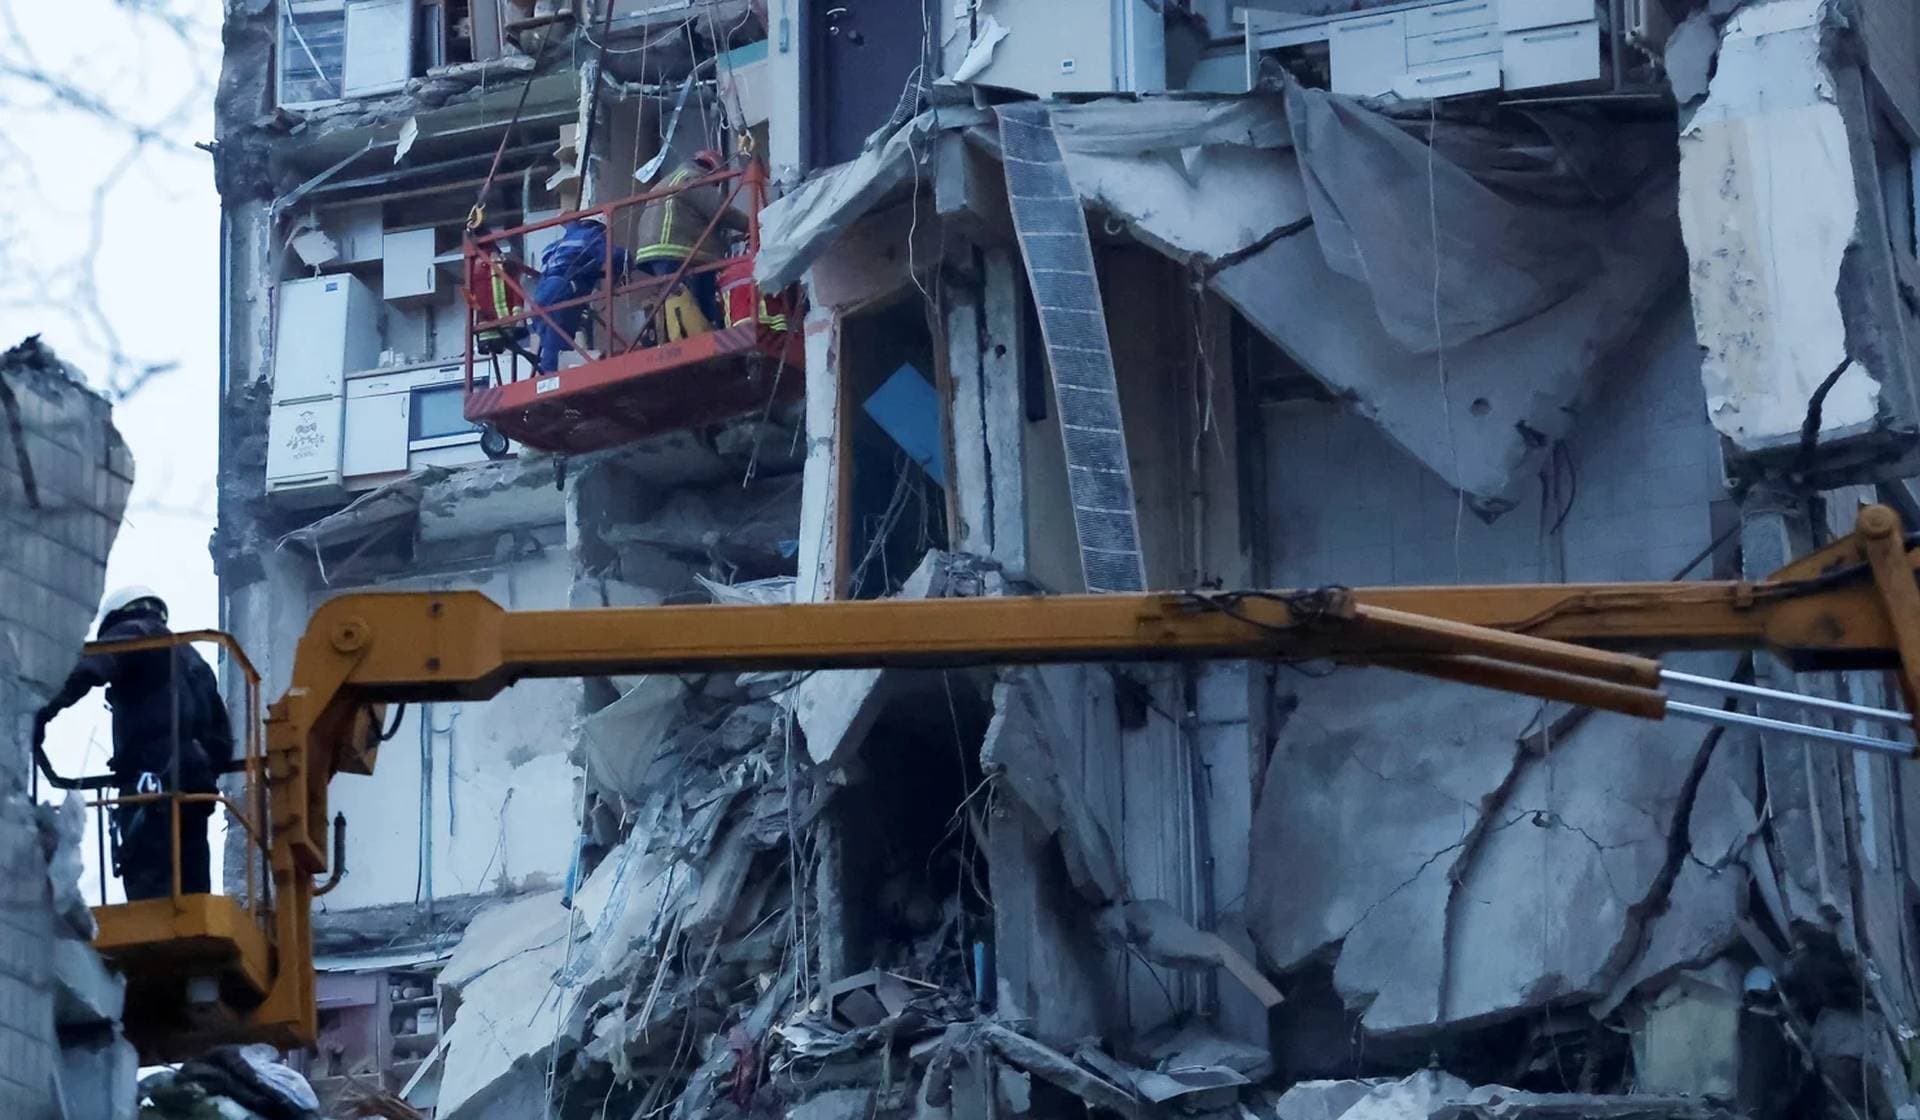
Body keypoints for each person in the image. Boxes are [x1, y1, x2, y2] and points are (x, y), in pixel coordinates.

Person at [34, 587, 233, 900]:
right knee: (192, 883)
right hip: (197, 785)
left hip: (151, 781)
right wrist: (200, 765)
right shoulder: (192, 659)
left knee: (148, 878)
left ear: (117, 616)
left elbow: (88, 669)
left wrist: (37, 708)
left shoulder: (134, 633)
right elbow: (222, 742)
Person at [633, 149, 746, 333]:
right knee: (697, 299)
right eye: (716, 182)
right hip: (677, 249)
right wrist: (753, 224)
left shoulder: (667, 181)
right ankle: (704, 331)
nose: (714, 186)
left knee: (676, 298)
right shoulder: (693, 178)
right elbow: (720, 210)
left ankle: (679, 334)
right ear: (713, 169)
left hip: (653, 251)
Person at [529, 213, 629, 373]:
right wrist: (627, 265)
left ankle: (548, 377)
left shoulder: (553, 246)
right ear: (598, 227)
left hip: (539, 295)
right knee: (557, 344)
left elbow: (575, 265)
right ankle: (550, 379)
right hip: (563, 291)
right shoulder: (591, 235)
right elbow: (616, 255)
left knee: (549, 343)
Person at [464, 223, 541, 376]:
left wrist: (517, 315)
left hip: (499, 324)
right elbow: (467, 292)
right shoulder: (476, 263)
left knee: (506, 354)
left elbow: (515, 289)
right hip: (492, 325)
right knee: (503, 354)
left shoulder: (477, 264)